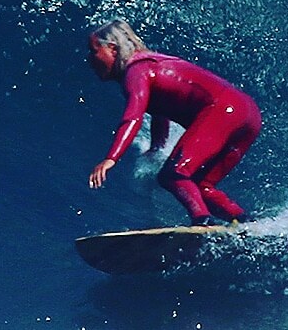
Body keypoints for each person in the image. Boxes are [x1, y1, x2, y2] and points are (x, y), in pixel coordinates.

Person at [87, 19, 261, 225]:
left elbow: (133, 116)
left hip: (223, 110)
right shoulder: (152, 62)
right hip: (248, 113)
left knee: (173, 175)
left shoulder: (136, 70)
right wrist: (156, 147)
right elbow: (161, 110)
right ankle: (246, 223)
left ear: (113, 49)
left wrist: (111, 159)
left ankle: (202, 222)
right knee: (201, 186)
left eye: (94, 51)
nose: (90, 59)